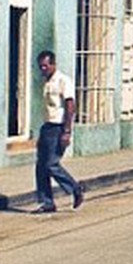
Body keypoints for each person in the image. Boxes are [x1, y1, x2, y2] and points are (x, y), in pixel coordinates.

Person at [34, 50, 84, 213]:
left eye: (46, 66)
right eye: (40, 66)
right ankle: (47, 202)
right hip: (47, 126)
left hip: (59, 127)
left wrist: (67, 131)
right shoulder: (46, 82)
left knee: (51, 164)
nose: (43, 69)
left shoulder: (63, 81)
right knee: (41, 166)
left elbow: (70, 106)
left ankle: (75, 188)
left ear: (53, 65)